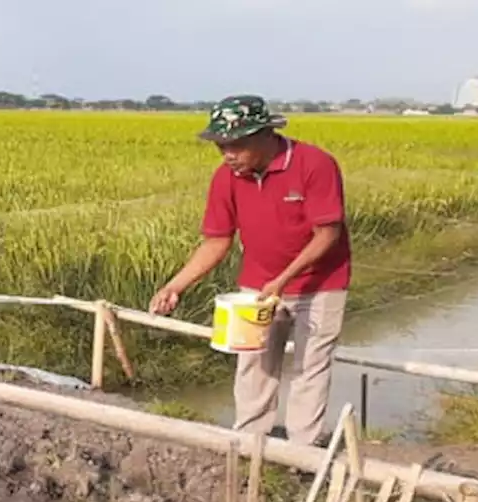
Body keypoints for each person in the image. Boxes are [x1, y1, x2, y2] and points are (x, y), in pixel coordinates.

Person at [149, 95, 352, 447]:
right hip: (257, 287)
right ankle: (248, 444)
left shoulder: (314, 165)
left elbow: (328, 234)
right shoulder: (226, 178)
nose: (228, 154)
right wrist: (175, 286)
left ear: (266, 134)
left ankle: (302, 453)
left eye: (237, 145)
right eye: (221, 146)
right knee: (253, 364)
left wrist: (283, 280)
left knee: (309, 367)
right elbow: (216, 241)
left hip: (321, 285)